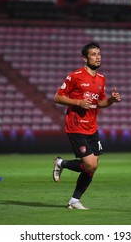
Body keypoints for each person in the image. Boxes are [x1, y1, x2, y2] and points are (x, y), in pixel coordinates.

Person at [52, 41, 121, 210]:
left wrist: (111, 100)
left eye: (99, 54)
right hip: (76, 126)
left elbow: (100, 103)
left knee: (92, 168)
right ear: (85, 58)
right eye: (93, 54)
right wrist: (78, 102)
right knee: (90, 165)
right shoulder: (74, 76)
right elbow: (57, 97)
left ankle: (74, 201)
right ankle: (61, 163)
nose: (97, 57)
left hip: (92, 127)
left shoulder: (101, 79)